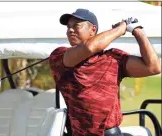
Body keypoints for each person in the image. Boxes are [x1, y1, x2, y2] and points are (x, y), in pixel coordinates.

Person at [49, 8, 161, 136]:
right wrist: (121, 28)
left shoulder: (113, 58)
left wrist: (137, 31)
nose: (70, 30)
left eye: (76, 25)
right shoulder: (59, 55)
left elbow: (154, 67)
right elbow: (89, 47)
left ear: (93, 30)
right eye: (68, 27)